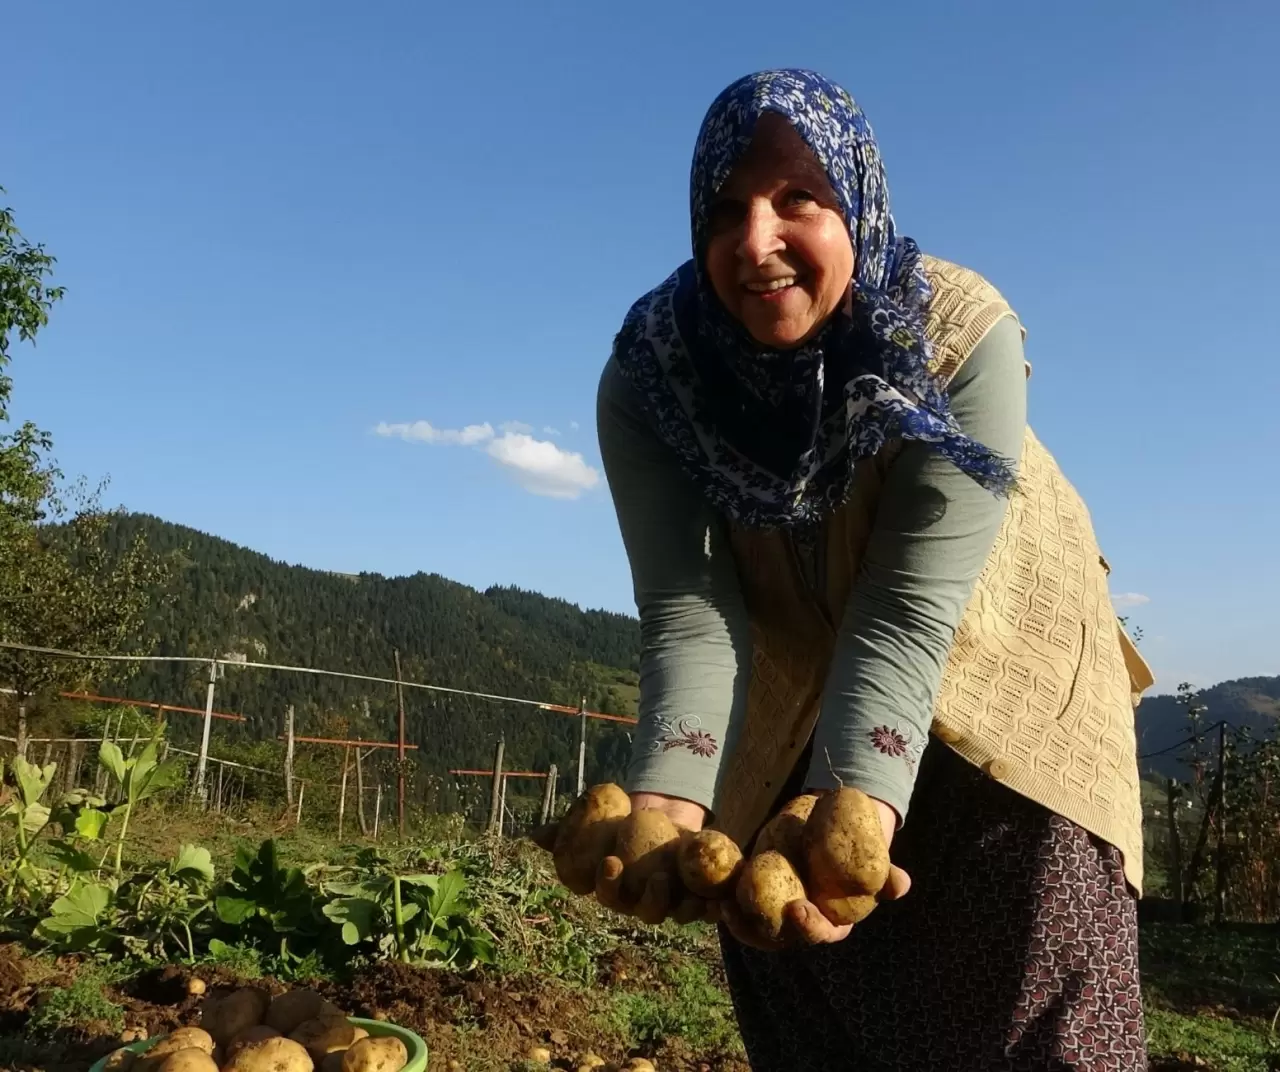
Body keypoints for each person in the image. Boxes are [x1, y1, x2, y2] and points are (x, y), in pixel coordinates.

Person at [563, 68, 1154, 1071]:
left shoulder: (958, 336)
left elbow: (905, 609)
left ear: (857, 202)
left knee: (1021, 999)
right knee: (814, 998)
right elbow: (688, 607)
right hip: (784, 678)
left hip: (995, 674)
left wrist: (852, 808)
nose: (755, 242)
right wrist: (666, 799)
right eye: (724, 210)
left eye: (797, 197)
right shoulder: (652, 375)